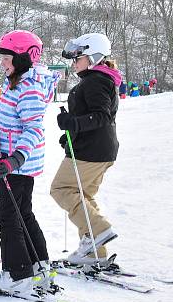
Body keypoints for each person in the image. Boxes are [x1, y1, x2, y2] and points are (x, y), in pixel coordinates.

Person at [0, 30, 58, 294]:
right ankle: (38, 266)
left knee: (9, 217)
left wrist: (15, 159)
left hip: (18, 163)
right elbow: (0, 109)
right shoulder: (13, 81)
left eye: (7, 58)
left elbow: (33, 128)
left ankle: (16, 275)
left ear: (23, 58)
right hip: (11, 159)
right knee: (23, 213)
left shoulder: (29, 88)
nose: (2, 62)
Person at [51, 33, 121, 265]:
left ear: (93, 57)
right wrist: (71, 132)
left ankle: (98, 230)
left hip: (91, 151)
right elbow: (96, 116)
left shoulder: (96, 80)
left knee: (61, 189)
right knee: (83, 196)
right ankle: (94, 254)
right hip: (98, 149)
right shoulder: (99, 79)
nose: (74, 63)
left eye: (77, 58)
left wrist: (74, 123)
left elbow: (101, 115)